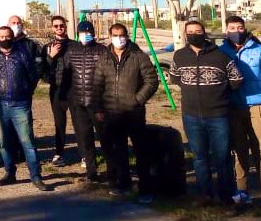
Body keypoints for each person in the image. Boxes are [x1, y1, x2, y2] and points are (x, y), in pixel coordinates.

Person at [170, 20, 243, 204]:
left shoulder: (221, 56)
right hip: (191, 115)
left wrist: (218, 94)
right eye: (191, 32)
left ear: (205, 33)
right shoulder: (179, 56)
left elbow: (236, 80)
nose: (194, 34)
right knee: (200, 158)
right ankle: (205, 195)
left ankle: (227, 197)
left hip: (218, 115)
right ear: (185, 35)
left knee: (222, 158)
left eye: (198, 31)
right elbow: (175, 77)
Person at [92, 23, 159, 203]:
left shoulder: (138, 56)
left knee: (140, 151)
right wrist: (98, 108)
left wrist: (137, 99)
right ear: (110, 35)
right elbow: (97, 85)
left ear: (127, 35)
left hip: (134, 113)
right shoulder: (104, 58)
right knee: (118, 152)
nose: (119, 38)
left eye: (122, 35)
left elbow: (152, 81)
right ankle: (124, 184)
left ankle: (145, 188)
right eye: (115, 35)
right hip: (112, 113)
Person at [219, 16, 261, 211]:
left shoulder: (259, 50)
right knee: (239, 150)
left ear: (245, 29)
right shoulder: (221, 52)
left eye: (240, 27)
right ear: (226, 30)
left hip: (258, 105)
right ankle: (242, 191)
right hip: (234, 107)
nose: (236, 31)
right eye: (232, 27)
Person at [0, 25, 51, 191]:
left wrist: (26, 93)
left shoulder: (22, 54)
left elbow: (33, 76)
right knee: (5, 142)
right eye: (2, 36)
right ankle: (10, 172)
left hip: (21, 103)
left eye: (8, 36)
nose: (5, 39)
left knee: (27, 141)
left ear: (13, 37)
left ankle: (36, 176)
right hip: (1, 104)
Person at [65, 19, 108, 183]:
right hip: (79, 102)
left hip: (97, 103)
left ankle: (112, 169)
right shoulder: (71, 50)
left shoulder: (102, 51)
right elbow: (65, 73)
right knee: (85, 137)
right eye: (83, 33)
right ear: (78, 34)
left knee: (105, 137)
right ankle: (91, 171)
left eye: (89, 32)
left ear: (94, 34)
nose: (86, 35)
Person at [42, 15, 75, 166]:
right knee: (59, 123)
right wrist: (50, 56)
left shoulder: (75, 45)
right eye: (56, 26)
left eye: (61, 25)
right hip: (57, 90)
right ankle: (59, 154)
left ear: (65, 26)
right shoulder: (47, 47)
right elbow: (42, 71)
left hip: (74, 89)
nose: (59, 28)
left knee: (80, 123)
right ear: (52, 28)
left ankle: (84, 155)